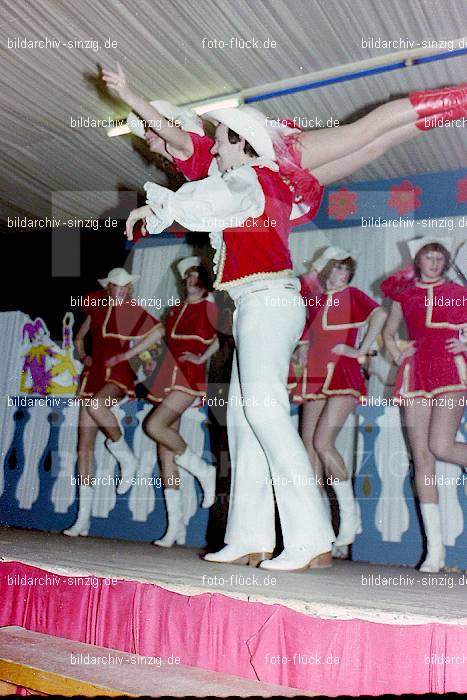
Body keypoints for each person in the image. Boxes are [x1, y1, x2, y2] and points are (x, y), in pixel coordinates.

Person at [124, 105, 337, 572]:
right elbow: (206, 197)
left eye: (222, 139)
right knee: (243, 422)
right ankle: (250, 535)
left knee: (264, 414)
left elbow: (201, 202)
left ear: (244, 144)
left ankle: (312, 535)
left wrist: (161, 206)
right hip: (254, 306)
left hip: (268, 303)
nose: (215, 147)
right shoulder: (246, 183)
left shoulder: (252, 179)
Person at [103, 64, 467, 196]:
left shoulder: (187, 146)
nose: (147, 135)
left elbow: (165, 128)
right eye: (143, 131)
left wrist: (129, 94)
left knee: (362, 132)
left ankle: (459, 100)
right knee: (372, 148)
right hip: (280, 186)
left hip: (278, 160)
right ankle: (451, 113)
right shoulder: (183, 165)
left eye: (145, 127)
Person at [115, 257, 219, 547]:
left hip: (189, 376)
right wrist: (127, 354)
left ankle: (203, 470)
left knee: (155, 425)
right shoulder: (175, 309)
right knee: (165, 453)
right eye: (186, 276)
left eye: (195, 276)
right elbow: (159, 333)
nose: (189, 280)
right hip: (166, 375)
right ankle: (174, 528)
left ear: (204, 281)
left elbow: (223, 338)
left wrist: (201, 357)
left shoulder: (211, 308)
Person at [290, 246, 387, 547]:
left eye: (342, 269)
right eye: (332, 269)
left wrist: (360, 351)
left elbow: (380, 314)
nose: (336, 275)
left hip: (343, 372)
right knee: (308, 448)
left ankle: (350, 517)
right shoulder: (316, 298)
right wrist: (302, 348)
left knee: (323, 443)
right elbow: (305, 331)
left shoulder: (353, 295)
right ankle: (317, 525)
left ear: (350, 273)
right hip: (314, 374)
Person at [382, 237, 467, 572]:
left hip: (449, 368)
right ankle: (435, 552)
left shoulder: (459, 293)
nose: (434, 262)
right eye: (427, 256)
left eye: (439, 257)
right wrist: (397, 351)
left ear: (445, 262)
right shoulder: (405, 294)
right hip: (416, 371)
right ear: (417, 260)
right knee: (421, 457)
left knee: (441, 445)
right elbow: (389, 332)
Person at [64, 268, 163, 536]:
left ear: (130, 289)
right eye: (116, 287)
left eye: (125, 287)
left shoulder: (131, 310)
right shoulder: (96, 308)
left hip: (117, 371)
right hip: (93, 373)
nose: (120, 291)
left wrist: (128, 354)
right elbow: (78, 336)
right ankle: (82, 518)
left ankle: (125, 456)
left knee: (97, 405)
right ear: (108, 288)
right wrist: (83, 354)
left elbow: (157, 331)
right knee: (84, 447)